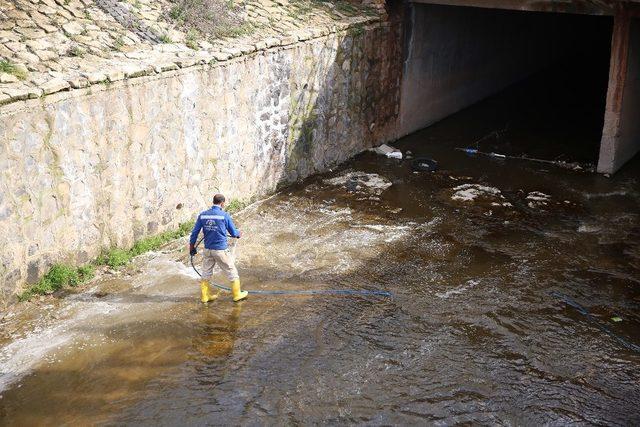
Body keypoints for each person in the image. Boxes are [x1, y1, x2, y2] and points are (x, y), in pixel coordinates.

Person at [189, 193, 248, 303]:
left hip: (208, 250)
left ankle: (205, 297)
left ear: (214, 202)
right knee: (231, 271)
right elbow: (233, 232)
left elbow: (194, 233)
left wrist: (192, 247)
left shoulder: (203, 215)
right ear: (222, 203)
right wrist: (238, 234)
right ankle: (237, 294)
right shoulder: (224, 215)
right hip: (220, 250)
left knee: (206, 273)